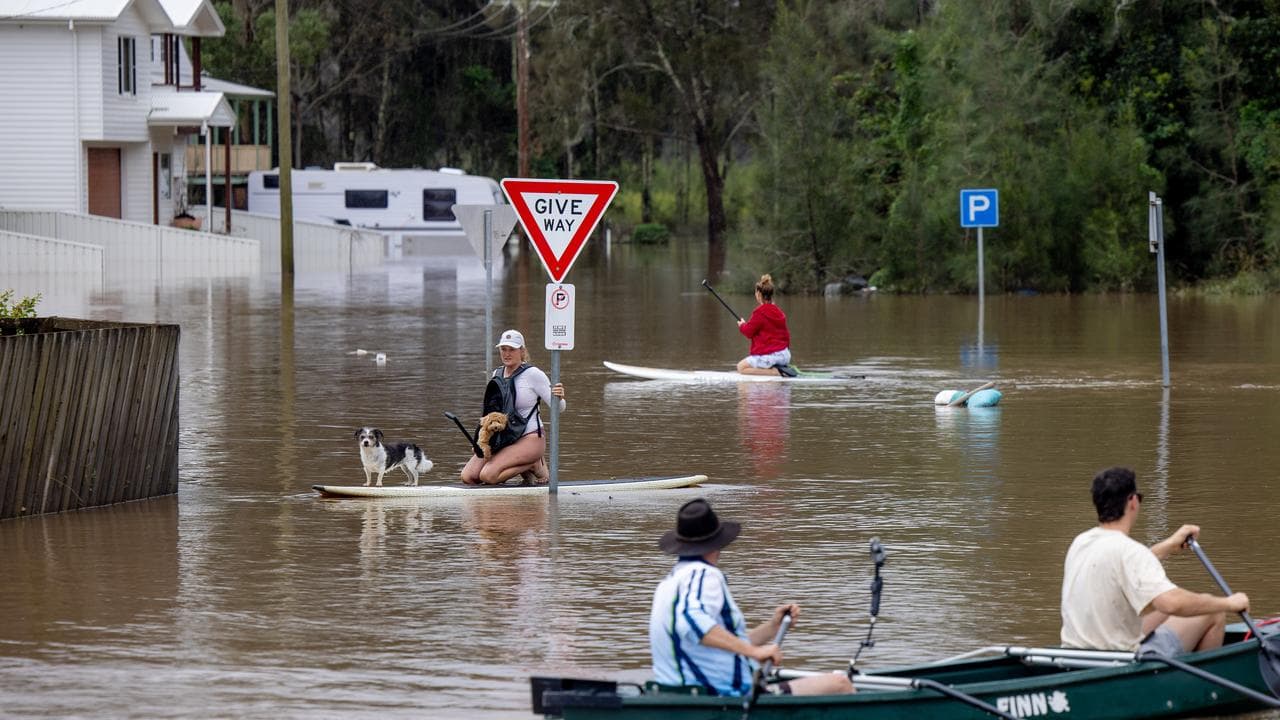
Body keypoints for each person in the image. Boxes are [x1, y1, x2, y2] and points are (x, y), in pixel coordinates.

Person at [649, 498, 853, 697]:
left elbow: (720, 640)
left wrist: (773, 626)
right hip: (723, 695)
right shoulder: (705, 575)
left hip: (682, 694)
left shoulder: (670, 582)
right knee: (840, 683)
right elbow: (692, 623)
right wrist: (754, 652)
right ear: (716, 543)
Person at [1060, 466, 1249, 655]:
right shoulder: (1131, 551)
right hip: (1118, 659)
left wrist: (1167, 546)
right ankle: (1199, 682)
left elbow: (1123, 566)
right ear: (1133, 501)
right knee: (1211, 610)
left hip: (1077, 655)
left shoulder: (1081, 541)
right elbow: (1172, 603)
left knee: (1158, 597)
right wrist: (1230, 603)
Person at [460, 329, 565, 485]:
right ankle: (522, 467)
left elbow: (560, 409)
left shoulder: (533, 374)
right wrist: (480, 441)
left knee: (488, 476)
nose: (507, 354)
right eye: (503, 349)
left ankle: (534, 463)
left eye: (512, 349)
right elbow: (492, 412)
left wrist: (559, 397)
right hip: (505, 438)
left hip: (530, 437)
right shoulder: (497, 373)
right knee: (468, 477)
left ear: (522, 351)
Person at [736, 274, 794, 376]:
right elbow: (787, 336)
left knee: (741, 367)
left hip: (772, 356)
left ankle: (774, 373)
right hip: (785, 355)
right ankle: (775, 370)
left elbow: (748, 332)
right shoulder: (779, 312)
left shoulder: (759, 312)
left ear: (758, 294)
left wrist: (742, 325)